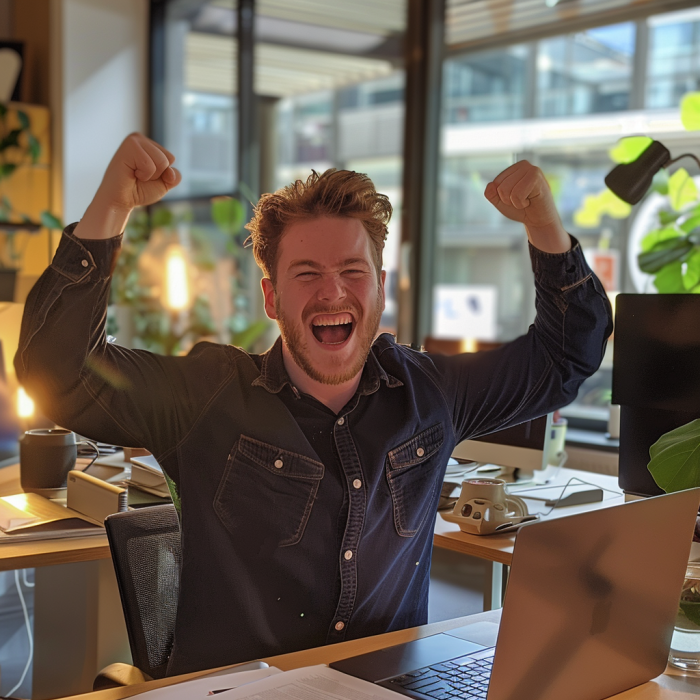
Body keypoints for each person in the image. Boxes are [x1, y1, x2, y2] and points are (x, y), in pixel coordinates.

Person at [15, 134, 612, 675]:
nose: (332, 290)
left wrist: (543, 221)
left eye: (354, 270)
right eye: (307, 274)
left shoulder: (432, 394)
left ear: (379, 287)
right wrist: (110, 208)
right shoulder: (204, 396)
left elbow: (565, 360)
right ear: (272, 298)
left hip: (390, 690)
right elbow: (56, 373)